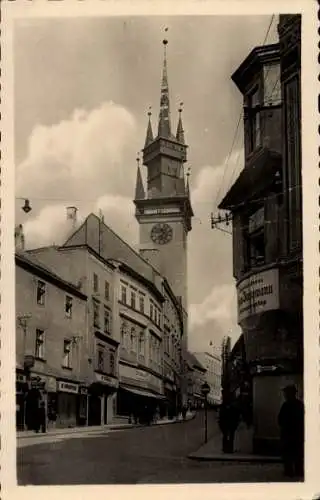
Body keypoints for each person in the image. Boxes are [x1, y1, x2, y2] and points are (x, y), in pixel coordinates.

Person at [278, 384, 304, 478]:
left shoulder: (286, 405)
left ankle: (289, 471)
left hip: (288, 434)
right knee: (297, 454)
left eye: (285, 393)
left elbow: (280, 419)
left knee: (287, 454)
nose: (284, 395)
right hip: (298, 434)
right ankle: (298, 471)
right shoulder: (299, 404)